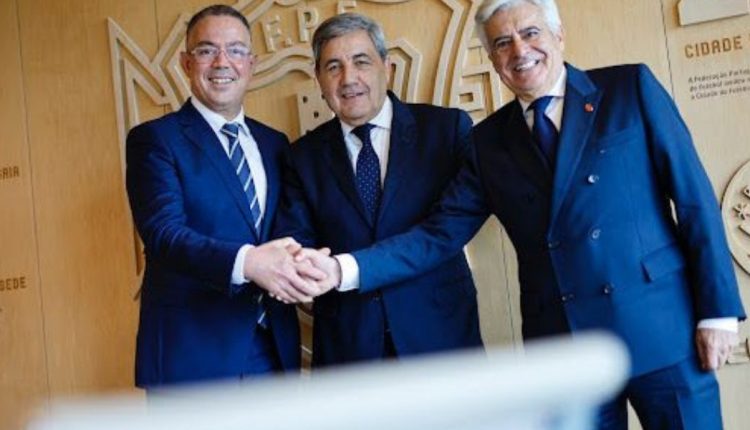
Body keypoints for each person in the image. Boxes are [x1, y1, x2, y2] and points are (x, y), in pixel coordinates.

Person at [301, 1, 746, 428]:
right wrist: (344, 268)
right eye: (501, 43)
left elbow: (693, 200)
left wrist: (719, 312)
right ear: (493, 59)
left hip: (661, 330)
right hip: (565, 349)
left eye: (530, 33)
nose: (519, 50)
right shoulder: (488, 142)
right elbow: (438, 234)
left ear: (558, 35)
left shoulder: (629, 89)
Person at [126, 4, 325, 389]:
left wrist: (308, 264)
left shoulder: (275, 143)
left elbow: (287, 230)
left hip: (273, 348)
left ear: (251, 64)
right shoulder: (154, 140)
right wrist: (249, 262)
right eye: (206, 50)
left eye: (235, 50)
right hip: (193, 356)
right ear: (186, 63)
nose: (222, 62)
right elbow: (164, 234)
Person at [273, 13, 483, 367]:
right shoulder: (301, 156)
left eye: (361, 62)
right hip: (349, 347)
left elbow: (447, 231)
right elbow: (296, 240)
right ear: (319, 79)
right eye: (333, 67)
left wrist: (342, 269)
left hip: (439, 336)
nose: (348, 78)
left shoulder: (445, 130)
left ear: (387, 67)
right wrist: (302, 269)